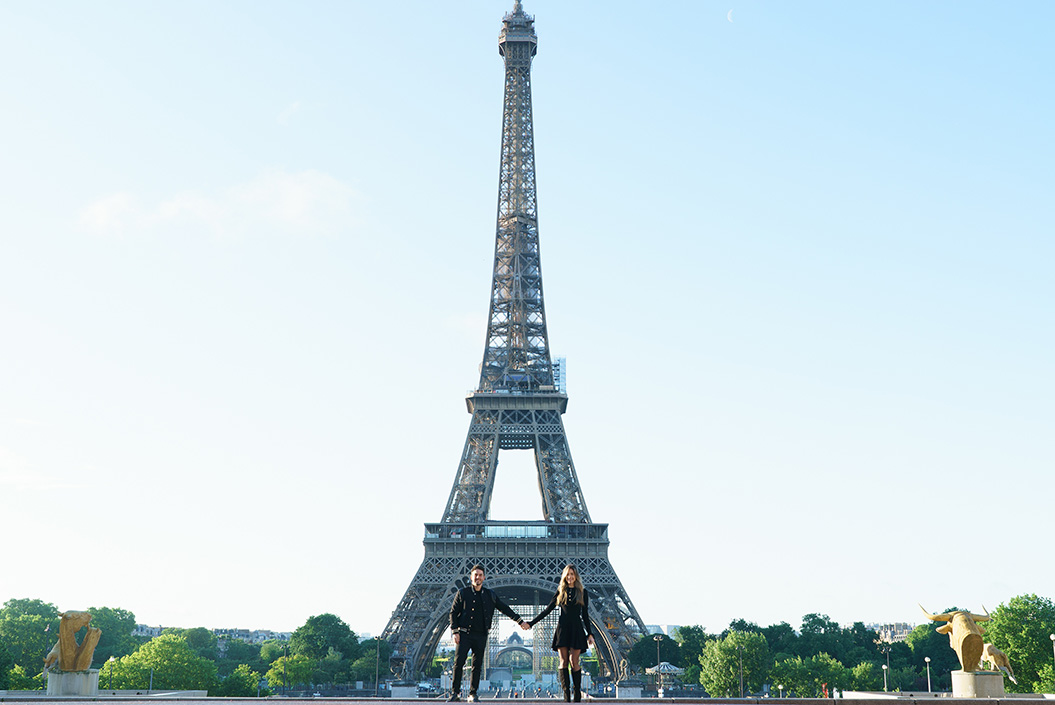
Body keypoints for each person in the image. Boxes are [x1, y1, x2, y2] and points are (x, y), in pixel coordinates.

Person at [449, 564, 530, 702]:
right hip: (464, 634)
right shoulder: (462, 593)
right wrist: (455, 631)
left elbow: (504, 608)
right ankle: (455, 693)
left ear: (484, 577)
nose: (478, 577)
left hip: (480, 635)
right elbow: (453, 612)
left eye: (480, 575)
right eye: (476, 575)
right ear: (471, 577)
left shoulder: (490, 595)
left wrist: (520, 621)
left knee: (477, 665)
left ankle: (472, 693)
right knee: (458, 663)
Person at [527, 564, 595, 702]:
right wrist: (531, 623)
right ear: (564, 576)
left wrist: (590, 633)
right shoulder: (560, 592)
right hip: (563, 629)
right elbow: (548, 610)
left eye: (572, 574)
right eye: (568, 574)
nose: (570, 577)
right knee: (563, 661)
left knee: (574, 661)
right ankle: (566, 694)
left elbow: (585, 615)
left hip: (576, 629)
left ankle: (576, 693)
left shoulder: (582, 592)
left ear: (576, 576)